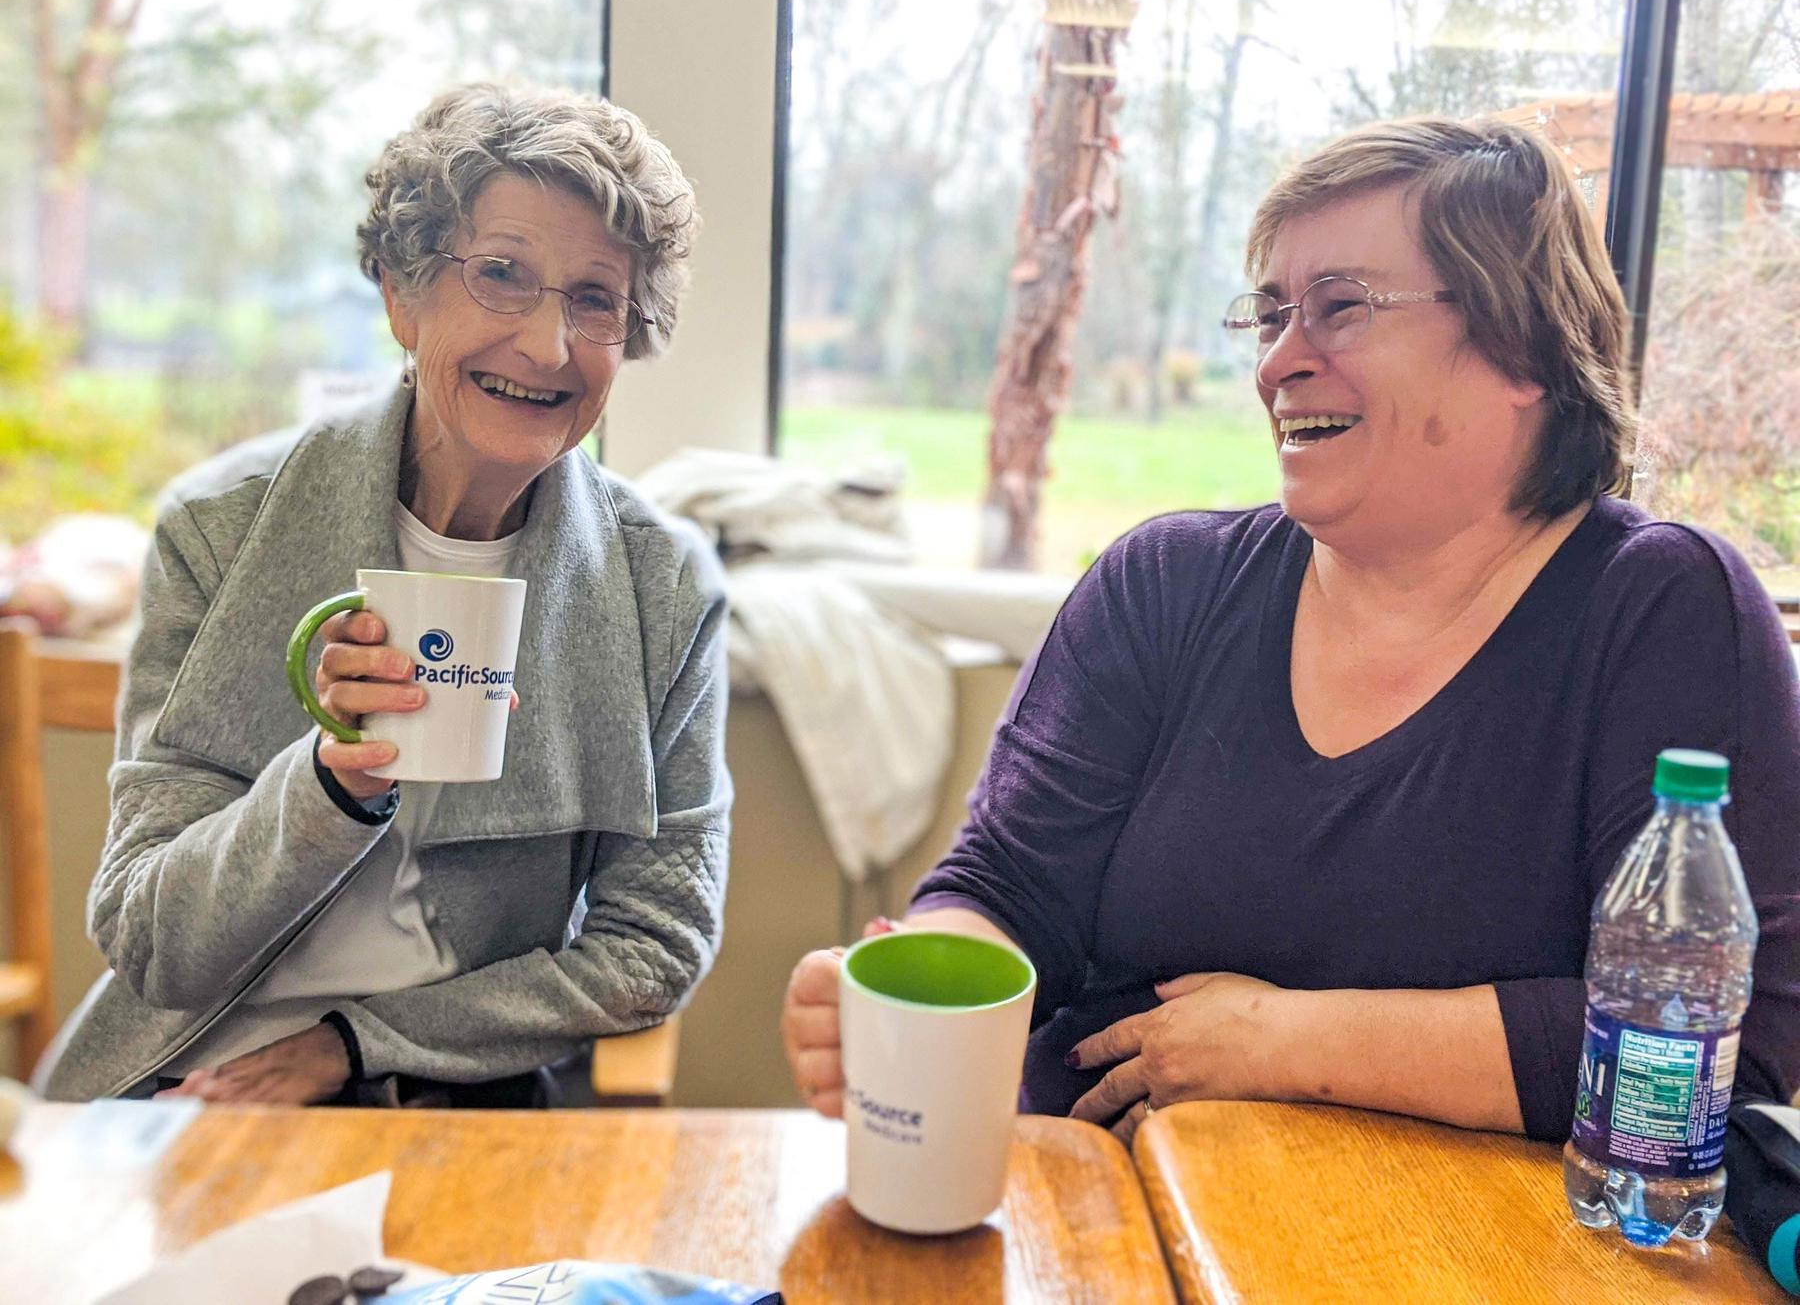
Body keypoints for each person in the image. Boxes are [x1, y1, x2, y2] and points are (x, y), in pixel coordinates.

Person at [782, 116, 1800, 1146]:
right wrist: (915, 991)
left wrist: (1281, 1044)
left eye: (1340, 308)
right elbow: (1003, 889)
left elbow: (1729, 1047)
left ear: (1521, 342)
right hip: (1107, 1209)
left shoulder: (1663, 609)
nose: (1278, 365)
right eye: (1269, 317)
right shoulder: (1164, 585)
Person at [36, 82, 730, 1106]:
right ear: (403, 296)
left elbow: (655, 947)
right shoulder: (220, 532)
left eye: (595, 300)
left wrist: (352, 1045)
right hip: (191, 1079)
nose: (547, 346)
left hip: (461, 1092)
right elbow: (152, 941)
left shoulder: (661, 589)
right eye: (501, 275)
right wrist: (328, 786)